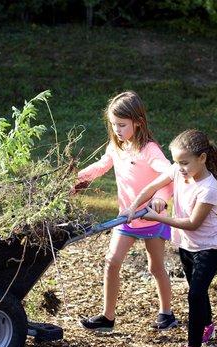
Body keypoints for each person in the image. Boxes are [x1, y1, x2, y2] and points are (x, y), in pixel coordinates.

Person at [123, 129, 217, 347]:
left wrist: (156, 217)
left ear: (202, 158)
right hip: (187, 246)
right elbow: (150, 187)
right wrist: (134, 206)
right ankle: (207, 325)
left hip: (208, 248)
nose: (179, 168)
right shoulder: (179, 172)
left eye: (184, 162)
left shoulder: (209, 188)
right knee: (197, 290)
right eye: (177, 162)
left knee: (195, 294)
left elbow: (192, 223)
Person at [76, 90, 177, 332]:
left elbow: (170, 174)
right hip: (127, 218)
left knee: (155, 267)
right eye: (113, 124)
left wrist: (161, 199)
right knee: (112, 262)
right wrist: (78, 180)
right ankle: (107, 317)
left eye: (122, 125)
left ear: (138, 122)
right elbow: (102, 165)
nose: (117, 130)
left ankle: (167, 313)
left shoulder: (150, 150)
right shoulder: (117, 146)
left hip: (150, 218)